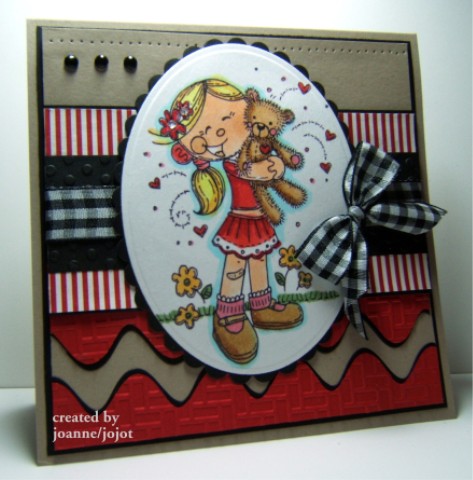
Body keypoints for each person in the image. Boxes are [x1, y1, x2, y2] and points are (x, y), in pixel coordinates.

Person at [150, 79, 303, 364]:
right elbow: (254, 172)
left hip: (257, 218)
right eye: (203, 134)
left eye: (227, 117)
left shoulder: (257, 146)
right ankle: (227, 314)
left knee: (259, 261)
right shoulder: (237, 161)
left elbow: (269, 166)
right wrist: (273, 167)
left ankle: (261, 306)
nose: (218, 133)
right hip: (241, 220)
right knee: (236, 266)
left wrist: (277, 163)